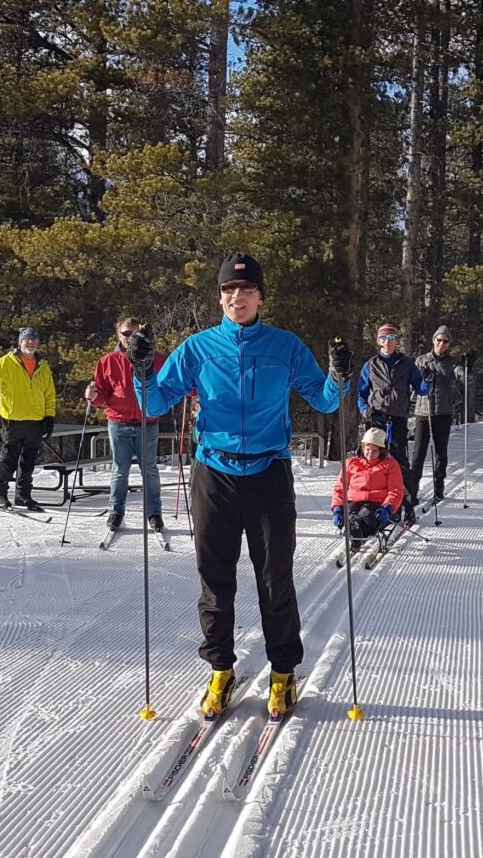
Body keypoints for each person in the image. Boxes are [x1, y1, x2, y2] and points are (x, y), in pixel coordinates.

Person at [128, 252, 353, 719]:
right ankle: (220, 671)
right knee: (216, 580)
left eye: (246, 290)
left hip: (269, 471)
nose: (237, 297)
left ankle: (283, 673)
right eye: (229, 290)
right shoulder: (197, 348)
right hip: (215, 474)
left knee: (275, 579)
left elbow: (326, 401)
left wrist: (339, 374)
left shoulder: (285, 346)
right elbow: (153, 401)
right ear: (220, 297)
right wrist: (143, 368)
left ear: (260, 297)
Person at [85, 317, 167, 533]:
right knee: (120, 470)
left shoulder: (155, 359)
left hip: (147, 422)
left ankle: (154, 512)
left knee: (149, 469)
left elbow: (168, 385)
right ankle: (116, 511)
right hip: (119, 421)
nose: (130, 337)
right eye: (125, 333)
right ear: (118, 336)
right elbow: (101, 392)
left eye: (134, 333)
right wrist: (93, 396)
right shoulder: (107, 361)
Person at [0, 327, 57, 511]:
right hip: (13, 419)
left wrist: (49, 416)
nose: (31, 342)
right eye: (27, 339)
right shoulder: (8, 362)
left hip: (36, 419)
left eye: (34, 339)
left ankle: (23, 495)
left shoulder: (42, 365)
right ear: (20, 342)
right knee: (9, 458)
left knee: (28, 461)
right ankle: (0, 494)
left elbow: (49, 393)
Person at [356, 323, 431, 523]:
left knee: (399, 460)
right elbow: (361, 394)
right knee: (373, 459)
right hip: (376, 418)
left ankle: (406, 500)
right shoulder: (370, 365)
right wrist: (365, 409)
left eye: (391, 339)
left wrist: (428, 380)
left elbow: (422, 389)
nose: (387, 343)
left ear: (396, 342)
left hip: (397, 417)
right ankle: (371, 500)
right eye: (384, 338)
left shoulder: (407, 364)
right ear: (378, 341)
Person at [411, 326, 471, 502]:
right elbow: (411, 384)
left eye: (445, 341)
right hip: (423, 412)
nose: (441, 344)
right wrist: (421, 377)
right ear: (433, 340)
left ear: (449, 344)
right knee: (418, 452)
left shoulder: (452, 363)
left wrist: (469, 367)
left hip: (443, 411)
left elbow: (466, 380)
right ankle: (412, 490)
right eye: (439, 340)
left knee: (440, 452)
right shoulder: (421, 360)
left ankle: (439, 488)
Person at [330, 427, 404, 548]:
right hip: (354, 500)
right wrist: (337, 508)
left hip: (378, 503)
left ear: (381, 451)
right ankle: (354, 528)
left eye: (374, 450)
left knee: (367, 515)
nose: (370, 453)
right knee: (349, 512)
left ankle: (358, 531)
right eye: (368, 449)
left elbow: (395, 490)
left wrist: (388, 508)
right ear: (363, 448)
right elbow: (340, 488)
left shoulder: (389, 465)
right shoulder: (351, 463)